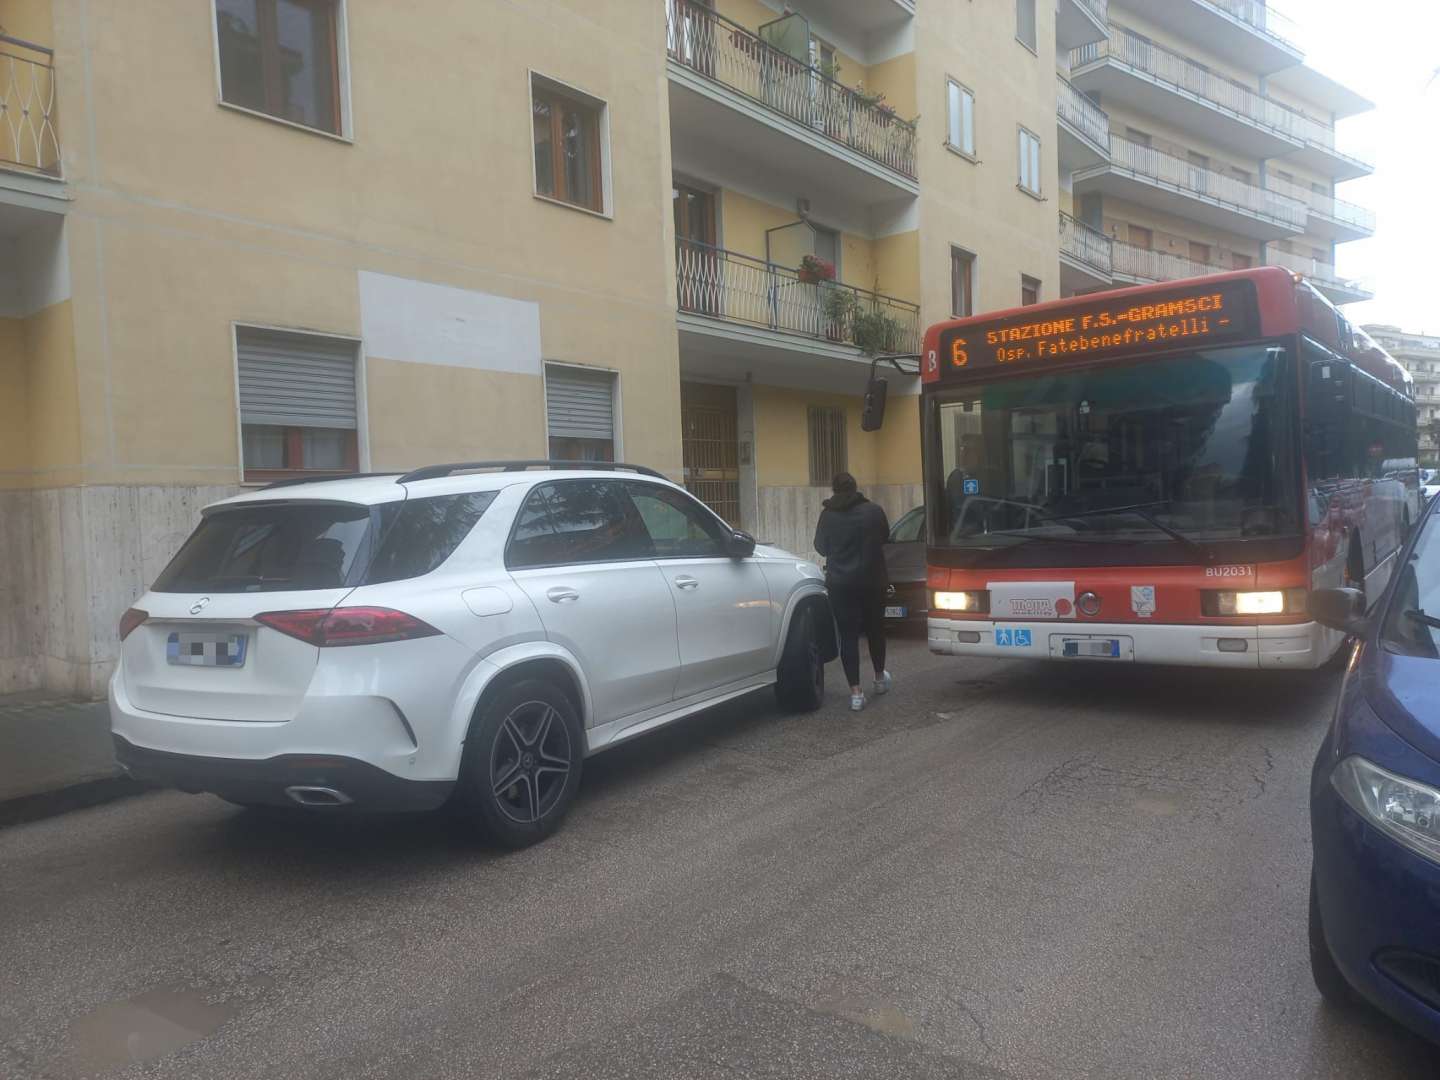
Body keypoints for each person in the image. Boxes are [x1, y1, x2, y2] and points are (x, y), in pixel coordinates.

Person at [813, 472, 892, 712]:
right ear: (856, 488)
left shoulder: (827, 515)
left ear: (834, 490)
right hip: (872, 581)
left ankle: (856, 694)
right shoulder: (874, 511)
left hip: (841, 584)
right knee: (876, 630)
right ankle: (879, 678)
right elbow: (885, 537)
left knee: (848, 636)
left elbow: (820, 546)